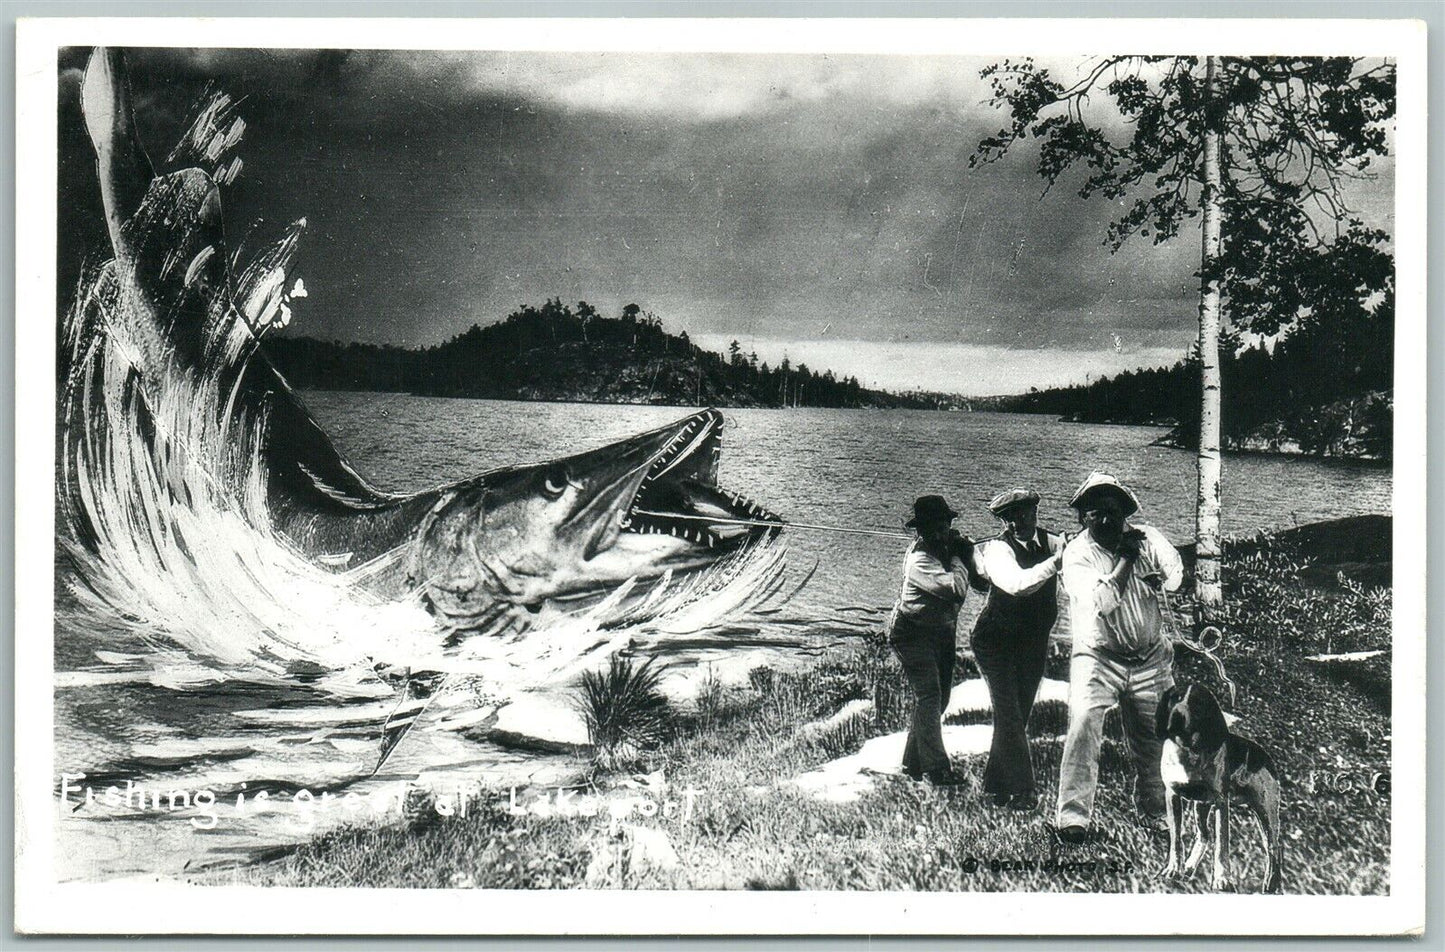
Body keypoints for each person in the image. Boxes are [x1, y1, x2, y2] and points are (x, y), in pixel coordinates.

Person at [1054, 472, 1184, 844]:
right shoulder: (1077, 556)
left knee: (1156, 737)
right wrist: (1127, 559)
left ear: (1126, 514)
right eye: (1096, 513)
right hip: (1097, 658)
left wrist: (1159, 565)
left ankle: (1157, 811)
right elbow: (1104, 603)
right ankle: (1073, 819)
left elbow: (1175, 576)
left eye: (1114, 511)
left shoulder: (1149, 537)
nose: (1107, 520)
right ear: (1083, 518)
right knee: (1082, 728)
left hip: (1151, 659)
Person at [970, 489, 1065, 810]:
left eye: (1022, 514)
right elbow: (1018, 585)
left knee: (1018, 715)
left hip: (1032, 642)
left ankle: (994, 786)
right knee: (1009, 713)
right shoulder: (997, 550)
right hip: (994, 642)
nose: (1016, 522)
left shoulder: (1053, 542)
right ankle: (1024, 790)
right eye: (1008, 518)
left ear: (1035, 511)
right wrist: (1056, 563)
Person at [887, 494, 977, 786]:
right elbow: (955, 589)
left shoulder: (946, 548)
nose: (940, 533)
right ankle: (936, 770)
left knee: (940, 700)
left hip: (941, 632)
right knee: (929, 695)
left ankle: (912, 763)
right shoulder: (919, 560)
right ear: (920, 531)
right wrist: (959, 557)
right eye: (933, 529)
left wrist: (969, 553)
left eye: (944, 526)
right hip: (911, 632)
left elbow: (981, 585)